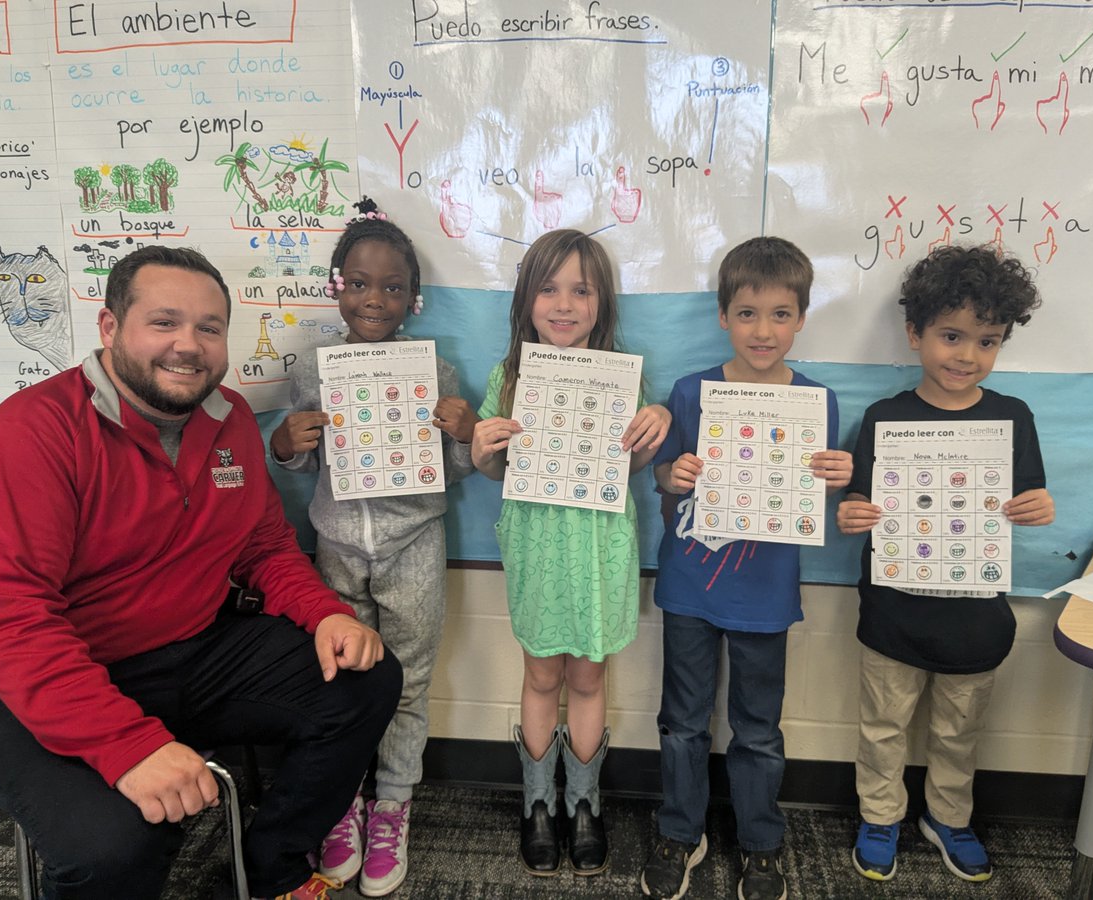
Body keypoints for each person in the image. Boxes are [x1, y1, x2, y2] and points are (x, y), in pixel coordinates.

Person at [0, 245, 402, 900]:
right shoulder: (28, 435)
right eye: (163, 322)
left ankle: (263, 872)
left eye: (208, 328)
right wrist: (127, 746)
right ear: (111, 329)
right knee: (115, 847)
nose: (187, 345)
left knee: (366, 679)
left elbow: (264, 545)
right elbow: (14, 628)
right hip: (26, 681)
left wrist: (325, 612)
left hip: (185, 650)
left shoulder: (230, 418)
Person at [269, 198, 477, 896]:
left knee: (409, 679)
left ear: (413, 298)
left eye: (392, 287)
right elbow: (298, 458)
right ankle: (341, 804)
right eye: (359, 282)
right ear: (336, 287)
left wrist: (461, 433)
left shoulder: (437, 373)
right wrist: (285, 444)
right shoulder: (313, 367)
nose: (375, 298)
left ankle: (393, 804)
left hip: (413, 541)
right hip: (335, 545)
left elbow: (456, 467)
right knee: (342, 678)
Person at [640, 237, 852, 900]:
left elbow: (811, 499)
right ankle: (681, 830)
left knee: (758, 728)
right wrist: (670, 474)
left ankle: (761, 842)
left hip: (765, 593)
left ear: (802, 317)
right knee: (682, 720)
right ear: (724, 316)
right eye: (749, 313)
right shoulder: (690, 391)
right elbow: (665, 482)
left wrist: (839, 478)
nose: (764, 330)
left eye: (781, 314)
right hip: (690, 586)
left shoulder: (818, 401)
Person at [836, 244, 1055, 884]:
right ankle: (879, 816)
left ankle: (947, 817)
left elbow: (1029, 498)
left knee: (959, 732)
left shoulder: (1012, 417)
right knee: (882, 728)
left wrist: (1038, 507)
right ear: (915, 334)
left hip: (975, 621)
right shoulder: (884, 418)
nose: (967, 355)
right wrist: (852, 514)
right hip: (893, 614)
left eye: (987, 341)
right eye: (951, 336)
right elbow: (859, 503)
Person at [471, 229, 670, 877]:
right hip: (539, 549)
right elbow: (493, 471)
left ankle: (583, 804)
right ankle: (537, 805)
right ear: (527, 300)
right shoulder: (510, 376)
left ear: (601, 301)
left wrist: (654, 425)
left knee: (588, 678)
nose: (564, 303)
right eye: (549, 288)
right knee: (541, 676)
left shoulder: (623, 376)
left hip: (599, 549)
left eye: (580, 289)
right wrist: (482, 450)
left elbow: (636, 462)